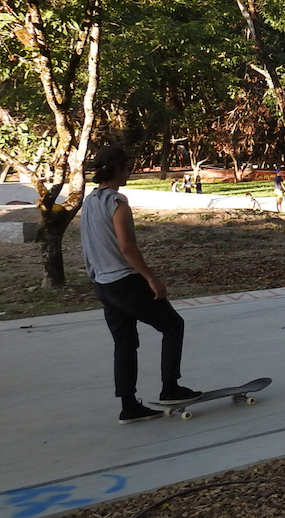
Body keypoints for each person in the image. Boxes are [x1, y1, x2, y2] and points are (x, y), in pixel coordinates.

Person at [80, 147, 199, 424]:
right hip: (124, 281)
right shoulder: (117, 202)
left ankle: (129, 405)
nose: (130, 171)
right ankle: (170, 388)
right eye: (127, 166)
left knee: (124, 342)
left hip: (103, 284)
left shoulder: (89, 201)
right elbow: (127, 247)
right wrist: (152, 278)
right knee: (172, 325)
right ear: (118, 168)